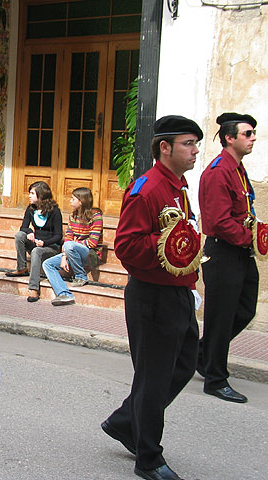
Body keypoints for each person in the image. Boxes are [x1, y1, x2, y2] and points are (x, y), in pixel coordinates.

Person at [101, 116, 203, 480]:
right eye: (188, 143)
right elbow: (126, 247)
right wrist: (168, 243)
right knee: (154, 377)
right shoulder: (146, 189)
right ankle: (149, 458)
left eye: (195, 144)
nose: (194, 151)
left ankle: (127, 421)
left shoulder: (178, 186)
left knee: (185, 363)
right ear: (165, 147)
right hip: (152, 295)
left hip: (177, 291)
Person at [196, 112, 259, 403]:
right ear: (230, 138)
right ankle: (215, 378)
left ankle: (201, 354)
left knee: (244, 310)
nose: (253, 138)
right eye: (247, 134)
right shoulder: (219, 171)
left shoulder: (237, 168)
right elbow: (219, 221)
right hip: (223, 251)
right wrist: (250, 238)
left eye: (253, 133)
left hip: (241, 252)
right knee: (220, 319)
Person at [42, 187, 103, 306]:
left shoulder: (96, 216)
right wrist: (65, 255)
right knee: (47, 264)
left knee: (70, 245)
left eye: (73, 199)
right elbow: (68, 237)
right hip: (72, 252)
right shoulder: (72, 216)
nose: (70, 201)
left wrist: (73, 245)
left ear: (81, 201)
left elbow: (92, 242)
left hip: (91, 255)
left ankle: (81, 276)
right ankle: (64, 294)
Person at [5, 181, 62, 302]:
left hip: (50, 247)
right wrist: (29, 231)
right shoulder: (31, 209)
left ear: (41, 195)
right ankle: (22, 268)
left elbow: (58, 236)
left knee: (36, 251)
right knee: (20, 235)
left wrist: (45, 243)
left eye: (32, 193)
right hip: (36, 243)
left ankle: (33, 288)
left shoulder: (55, 212)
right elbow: (23, 227)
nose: (29, 196)